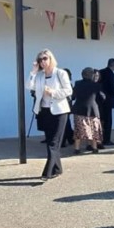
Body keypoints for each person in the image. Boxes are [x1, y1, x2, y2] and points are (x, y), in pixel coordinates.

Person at [27, 49, 73, 180]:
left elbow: (68, 90)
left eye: (45, 58)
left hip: (59, 111)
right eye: (40, 59)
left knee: (54, 142)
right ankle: (57, 169)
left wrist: (52, 92)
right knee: (49, 141)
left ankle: (47, 173)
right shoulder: (39, 75)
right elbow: (29, 86)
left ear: (51, 59)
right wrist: (33, 72)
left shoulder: (60, 73)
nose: (42, 62)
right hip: (45, 111)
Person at [70, 67, 104, 154]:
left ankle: (77, 149)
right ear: (92, 75)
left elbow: (73, 96)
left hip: (79, 110)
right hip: (92, 110)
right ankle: (94, 148)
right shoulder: (96, 85)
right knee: (94, 129)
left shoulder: (77, 83)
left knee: (78, 130)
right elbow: (102, 97)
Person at [98, 59, 114, 146]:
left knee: (101, 120)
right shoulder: (111, 74)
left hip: (99, 100)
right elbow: (113, 87)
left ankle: (99, 139)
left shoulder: (100, 72)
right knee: (108, 121)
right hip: (108, 101)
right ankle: (106, 140)